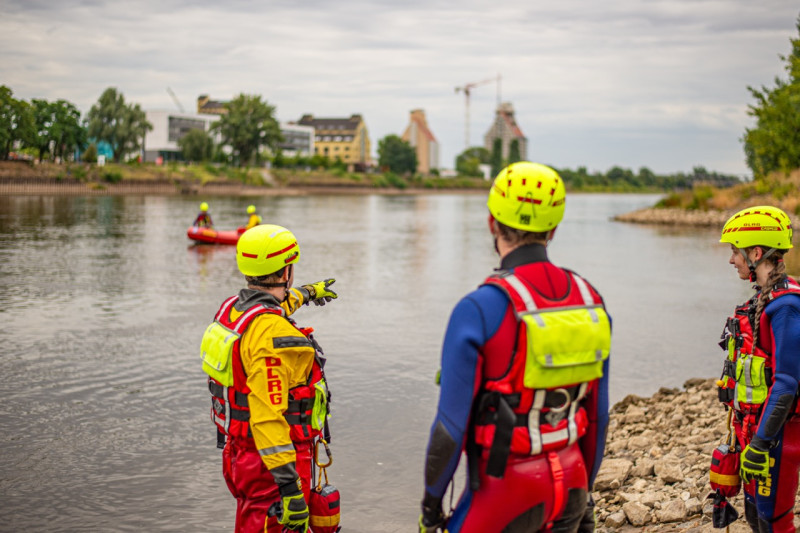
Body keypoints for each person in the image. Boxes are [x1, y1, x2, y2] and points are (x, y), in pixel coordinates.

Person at [420, 162, 611, 533]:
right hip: (571, 480)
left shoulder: (478, 309)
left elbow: (450, 428)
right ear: (553, 228)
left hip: (505, 492)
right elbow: (598, 415)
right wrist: (584, 489)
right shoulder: (591, 300)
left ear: (492, 222)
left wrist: (430, 507)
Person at [200, 224, 340, 533]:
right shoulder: (271, 336)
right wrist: (290, 489)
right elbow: (266, 416)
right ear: (286, 269)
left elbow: (270, 307)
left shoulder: (234, 310)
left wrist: (306, 293)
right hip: (274, 464)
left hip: (241, 453)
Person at [716, 206, 800, 533]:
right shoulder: (761, 299)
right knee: (756, 516)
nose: (731, 259)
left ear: (755, 253)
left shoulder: (786, 306)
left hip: (778, 436)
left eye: (735, 251)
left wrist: (761, 444)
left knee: (774, 521)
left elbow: (786, 383)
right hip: (754, 430)